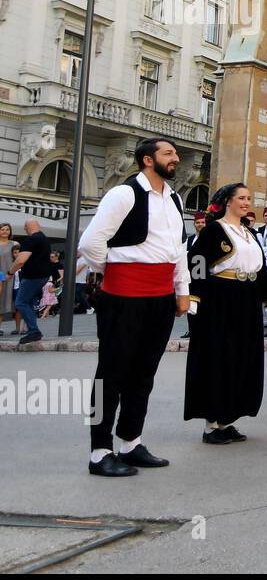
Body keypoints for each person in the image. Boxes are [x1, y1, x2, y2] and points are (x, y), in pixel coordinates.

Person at [78, 138, 190, 477]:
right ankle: (99, 451)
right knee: (110, 375)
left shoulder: (173, 198)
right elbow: (90, 243)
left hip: (160, 297)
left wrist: (182, 288)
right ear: (147, 160)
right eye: (168, 153)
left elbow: (179, 249)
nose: (176, 158)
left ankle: (130, 442)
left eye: (174, 154)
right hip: (125, 295)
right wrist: (117, 271)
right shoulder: (124, 194)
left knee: (144, 374)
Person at [184, 183, 267, 444]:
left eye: (249, 198)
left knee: (242, 357)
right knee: (219, 357)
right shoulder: (214, 230)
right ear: (228, 201)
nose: (246, 202)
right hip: (220, 299)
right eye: (241, 198)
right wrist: (193, 299)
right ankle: (211, 424)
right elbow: (197, 263)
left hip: (247, 299)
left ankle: (227, 419)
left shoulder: (249, 233)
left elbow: (261, 269)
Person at [9, 219, 56, 344]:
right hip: (43, 275)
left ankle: (34, 331)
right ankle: (32, 330)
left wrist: (10, 272)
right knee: (28, 302)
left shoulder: (30, 240)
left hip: (32, 276)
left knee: (20, 302)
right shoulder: (45, 239)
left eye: (25, 228)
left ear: (26, 227)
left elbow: (20, 260)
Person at [0, 223, 16, 334]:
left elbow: (18, 259)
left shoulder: (14, 244)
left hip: (10, 275)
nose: (5, 231)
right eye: (2, 229)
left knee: (7, 300)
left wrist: (11, 273)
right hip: (0, 275)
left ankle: (19, 328)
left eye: (7, 229)